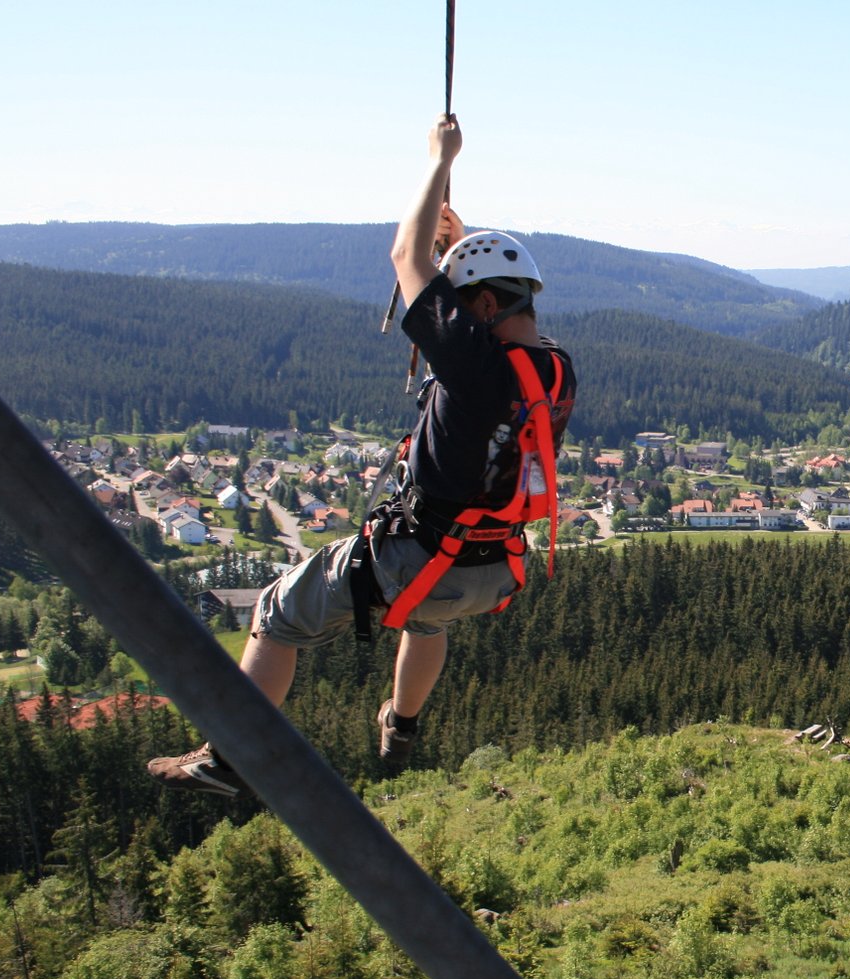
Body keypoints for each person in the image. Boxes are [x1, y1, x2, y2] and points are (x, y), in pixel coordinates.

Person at [149, 114, 576, 796]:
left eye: (462, 311)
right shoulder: (555, 372)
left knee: (276, 612)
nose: (451, 324)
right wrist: (461, 243)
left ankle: (228, 758)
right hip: (492, 568)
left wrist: (439, 160)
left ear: (485, 305)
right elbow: (493, 342)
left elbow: (405, 258)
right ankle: (401, 723)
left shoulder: (473, 362)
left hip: (416, 555)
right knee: (425, 615)